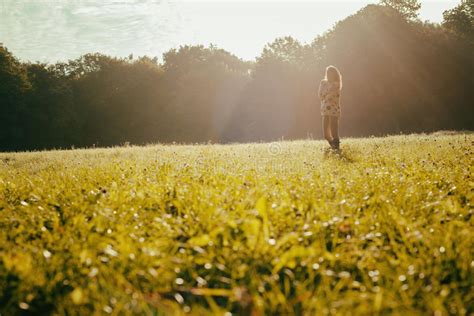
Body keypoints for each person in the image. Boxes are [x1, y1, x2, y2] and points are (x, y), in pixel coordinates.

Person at [318, 65, 342, 151]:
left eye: (330, 73)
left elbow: (330, 96)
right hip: (324, 110)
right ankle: (333, 146)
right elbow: (320, 95)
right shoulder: (323, 82)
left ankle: (336, 147)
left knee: (334, 131)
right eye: (327, 73)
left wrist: (326, 94)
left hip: (334, 110)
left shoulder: (337, 84)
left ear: (334, 74)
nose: (328, 75)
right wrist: (326, 94)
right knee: (326, 134)